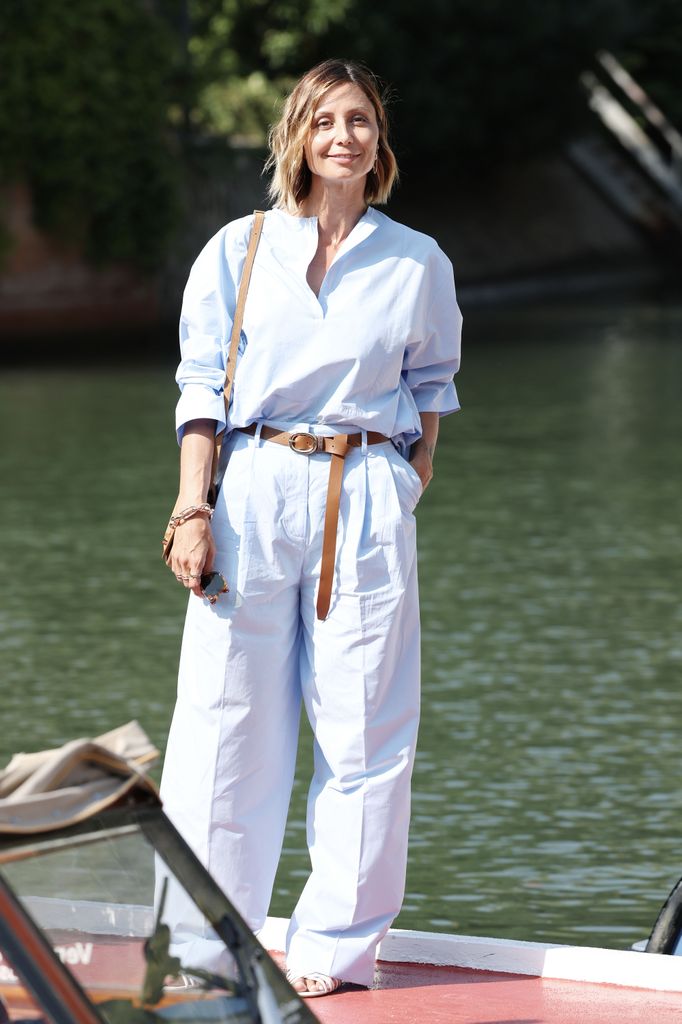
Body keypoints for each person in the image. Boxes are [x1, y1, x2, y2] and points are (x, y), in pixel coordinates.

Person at [160, 58, 462, 997]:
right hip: (249, 486)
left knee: (368, 734)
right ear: (296, 134)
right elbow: (202, 387)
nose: (346, 136)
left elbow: (431, 387)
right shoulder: (237, 249)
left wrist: (399, 488)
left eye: (363, 120)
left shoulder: (416, 261)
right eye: (327, 120)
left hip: (362, 489)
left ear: (381, 140)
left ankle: (335, 951)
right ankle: (206, 948)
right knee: (222, 724)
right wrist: (191, 506)